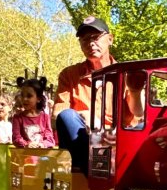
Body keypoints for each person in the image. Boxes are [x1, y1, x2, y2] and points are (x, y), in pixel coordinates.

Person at [53, 16, 117, 172]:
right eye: (84, 39)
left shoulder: (127, 74)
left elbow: (137, 119)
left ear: (110, 39)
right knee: (67, 116)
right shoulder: (69, 75)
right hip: (82, 139)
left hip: (115, 142)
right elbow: (57, 116)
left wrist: (109, 132)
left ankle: (102, 174)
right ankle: (99, 175)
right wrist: (84, 115)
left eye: (95, 37)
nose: (90, 43)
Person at [12, 78, 55, 149]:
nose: (24, 99)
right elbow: (16, 138)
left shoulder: (45, 117)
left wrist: (43, 144)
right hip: (24, 155)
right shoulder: (17, 118)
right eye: (22, 95)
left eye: (29, 96)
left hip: (42, 155)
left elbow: (50, 138)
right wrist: (26, 144)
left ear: (38, 99)